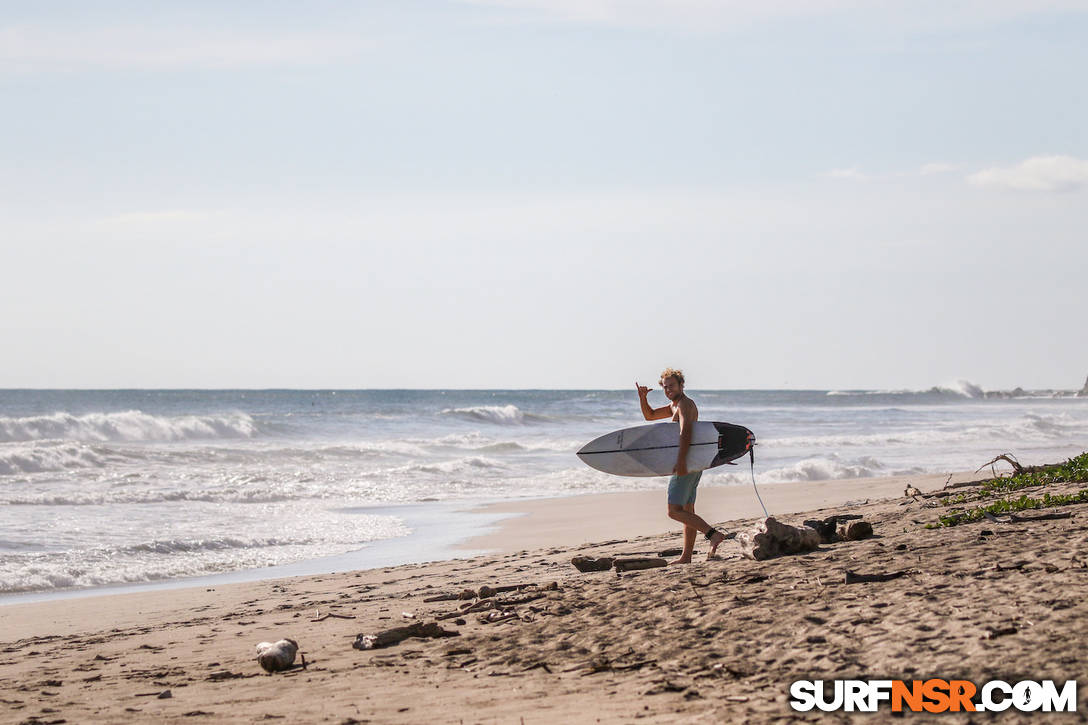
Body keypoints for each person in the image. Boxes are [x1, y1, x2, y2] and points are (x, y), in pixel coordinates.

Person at [636, 368, 727, 564]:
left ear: (681, 385)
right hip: (692, 462)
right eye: (665, 387)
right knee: (687, 510)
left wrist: (681, 461)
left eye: (672, 386)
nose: (668, 390)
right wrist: (643, 398)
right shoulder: (674, 406)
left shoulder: (685, 405)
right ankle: (686, 557)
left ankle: (713, 534)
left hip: (686, 462)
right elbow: (650, 416)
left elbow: (685, 432)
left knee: (674, 511)